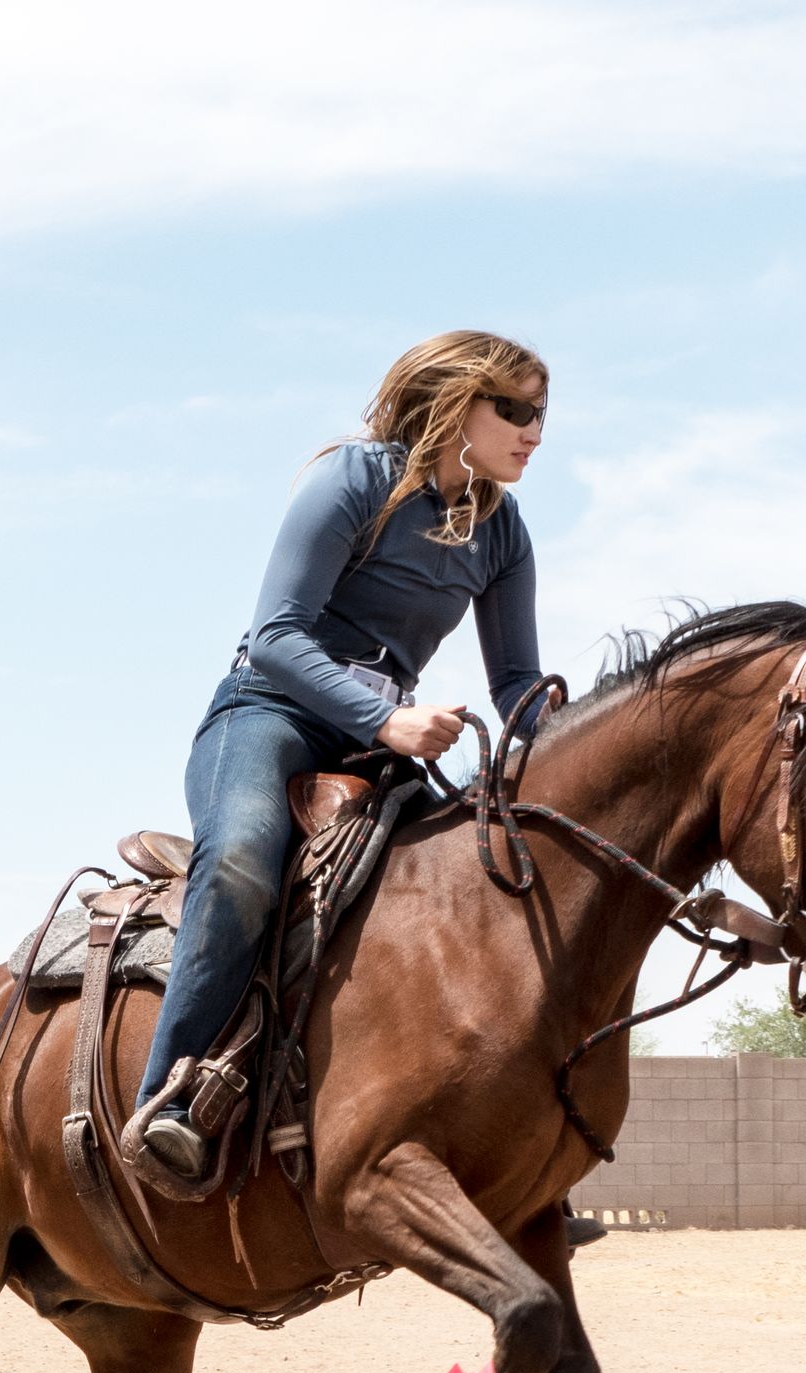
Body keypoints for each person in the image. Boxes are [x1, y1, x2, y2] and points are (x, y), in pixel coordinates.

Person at [121, 330, 550, 1187]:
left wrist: (578, 733)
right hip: (267, 714)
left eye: (542, 413)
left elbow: (517, 684)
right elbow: (277, 638)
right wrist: (388, 718)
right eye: (515, 409)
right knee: (242, 858)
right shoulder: (354, 480)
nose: (534, 429)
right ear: (455, 401)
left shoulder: (502, 531)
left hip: (379, 740)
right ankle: (164, 1100)